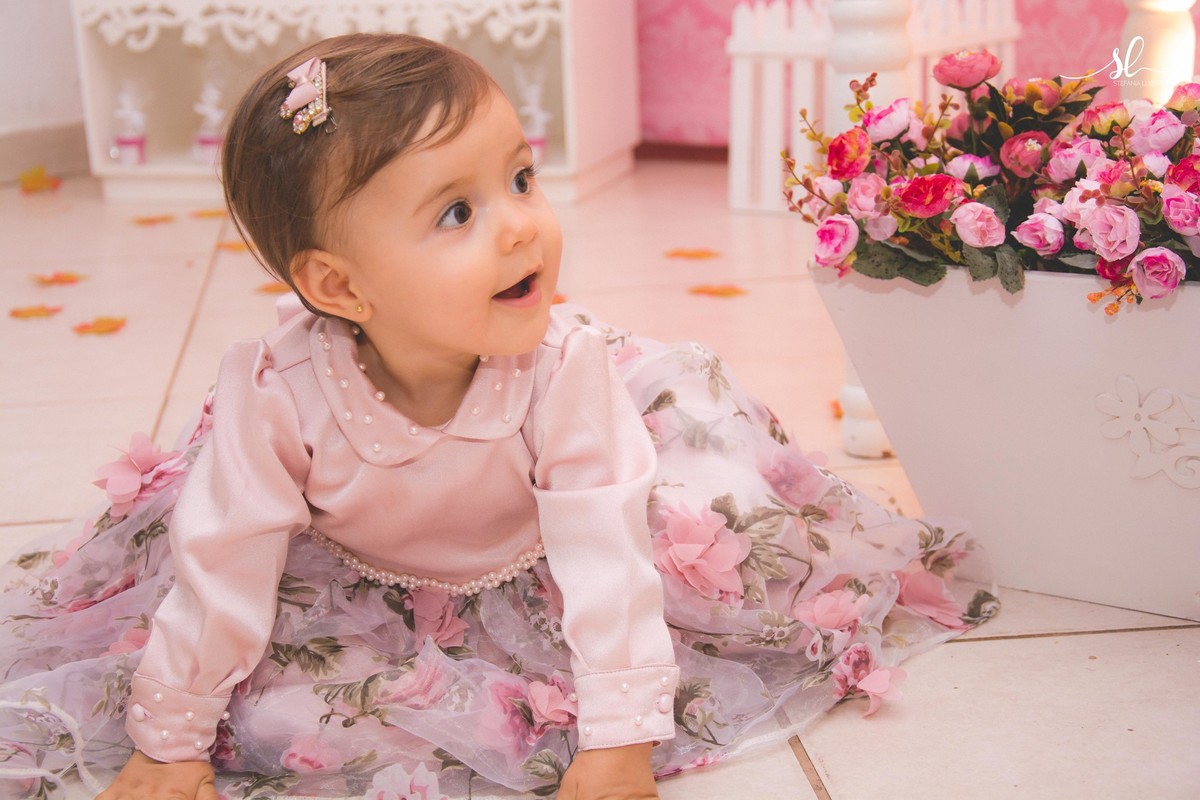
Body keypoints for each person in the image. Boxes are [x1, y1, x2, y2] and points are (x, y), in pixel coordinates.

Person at [0, 33, 997, 800]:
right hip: (366, 569)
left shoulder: (562, 367)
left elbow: (604, 549)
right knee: (286, 711)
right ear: (339, 286)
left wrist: (619, 733)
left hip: (548, 549)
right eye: (457, 213)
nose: (522, 223)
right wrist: (170, 739)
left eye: (519, 178)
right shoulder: (277, 393)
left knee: (723, 518)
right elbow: (224, 563)